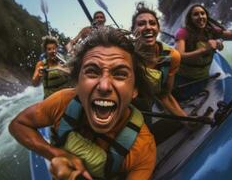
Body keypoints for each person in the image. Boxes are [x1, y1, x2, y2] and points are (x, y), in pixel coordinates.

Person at [9, 27, 156, 180]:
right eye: (92, 71)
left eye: (120, 74)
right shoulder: (62, 101)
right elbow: (18, 124)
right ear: (77, 83)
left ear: (134, 90)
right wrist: (55, 154)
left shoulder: (143, 148)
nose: (104, 86)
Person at [174, 4, 232, 100]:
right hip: (183, 77)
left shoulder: (211, 30)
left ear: (206, 16)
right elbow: (178, 55)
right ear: (190, 18)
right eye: (196, 14)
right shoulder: (183, 32)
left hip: (202, 77)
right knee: (176, 97)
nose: (200, 17)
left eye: (202, 13)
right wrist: (204, 49)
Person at [131, 2, 188, 118]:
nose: (148, 27)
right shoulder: (126, 59)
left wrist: (186, 119)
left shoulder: (173, 56)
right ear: (133, 31)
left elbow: (165, 95)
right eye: (141, 24)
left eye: (152, 23)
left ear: (158, 28)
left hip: (153, 94)